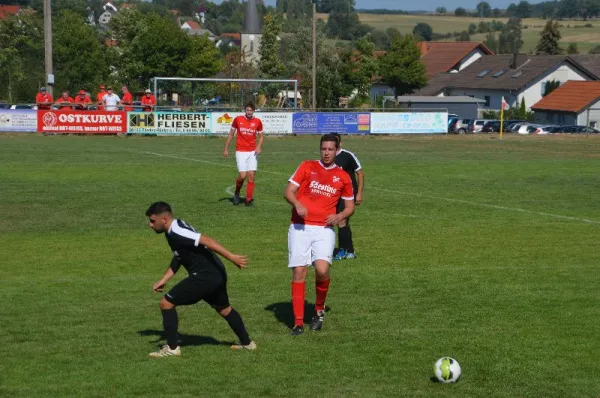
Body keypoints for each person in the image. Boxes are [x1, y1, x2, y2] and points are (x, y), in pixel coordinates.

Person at [145, 201, 256, 357]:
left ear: (164, 219)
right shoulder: (174, 227)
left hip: (206, 275)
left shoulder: (176, 231)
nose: (150, 225)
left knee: (166, 303)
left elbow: (207, 240)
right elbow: (179, 256)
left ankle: (172, 349)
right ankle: (247, 344)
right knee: (225, 309)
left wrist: (232, 257)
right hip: (216, 271)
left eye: (152, 220)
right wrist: (164, 279)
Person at [283, 134, 355, 335]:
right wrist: (297, 204)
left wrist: (339, 215)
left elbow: (350, 207)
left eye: (330, 149)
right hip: (299, 227)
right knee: (299, 271)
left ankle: (318, 310)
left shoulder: (343, 176)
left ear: (337, 150)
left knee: (322, 270)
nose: (326, 153)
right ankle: (298, 323)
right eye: (323, 149)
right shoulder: (307, 166)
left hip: (324, 229)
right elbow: (289, 191)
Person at [223, 102, 264, 207]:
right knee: (242, 175)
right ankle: (237, 193)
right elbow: (231, 134)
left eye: (251, 110)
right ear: (245, 110)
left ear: (253, 111)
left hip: (252, 152)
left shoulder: (258, 122)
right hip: (241, 151)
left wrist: (259, 147)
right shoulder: (238, 119)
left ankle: (248, 200)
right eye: (247, 110)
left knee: (251, 176)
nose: (249, 112)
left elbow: (261, 137)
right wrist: (226, 148)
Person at [331, 133, 364, 260]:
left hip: (348, 193)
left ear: (340, 143)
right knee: (341, 222)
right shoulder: (328, 156)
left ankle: (343, 251)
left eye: (336, 142)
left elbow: (360, 174)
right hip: (334, 193)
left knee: (341, 220)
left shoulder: (347, 156)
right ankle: (349, 251)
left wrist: (359, 193)